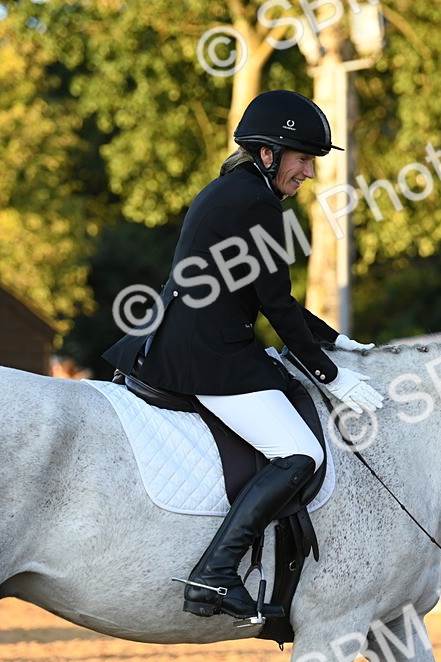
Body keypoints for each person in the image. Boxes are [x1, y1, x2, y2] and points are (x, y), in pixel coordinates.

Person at [104, 90, 384, 621]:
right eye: (302, 159)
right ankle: (215, 572)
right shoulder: (255, 203)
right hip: (206, 354)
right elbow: (274, 303)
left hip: (190, 337)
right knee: (302, 454)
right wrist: (331, 376)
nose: (308, 172)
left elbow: (265, 295)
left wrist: (334, 340)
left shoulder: (236, 192)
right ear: (268, 154)